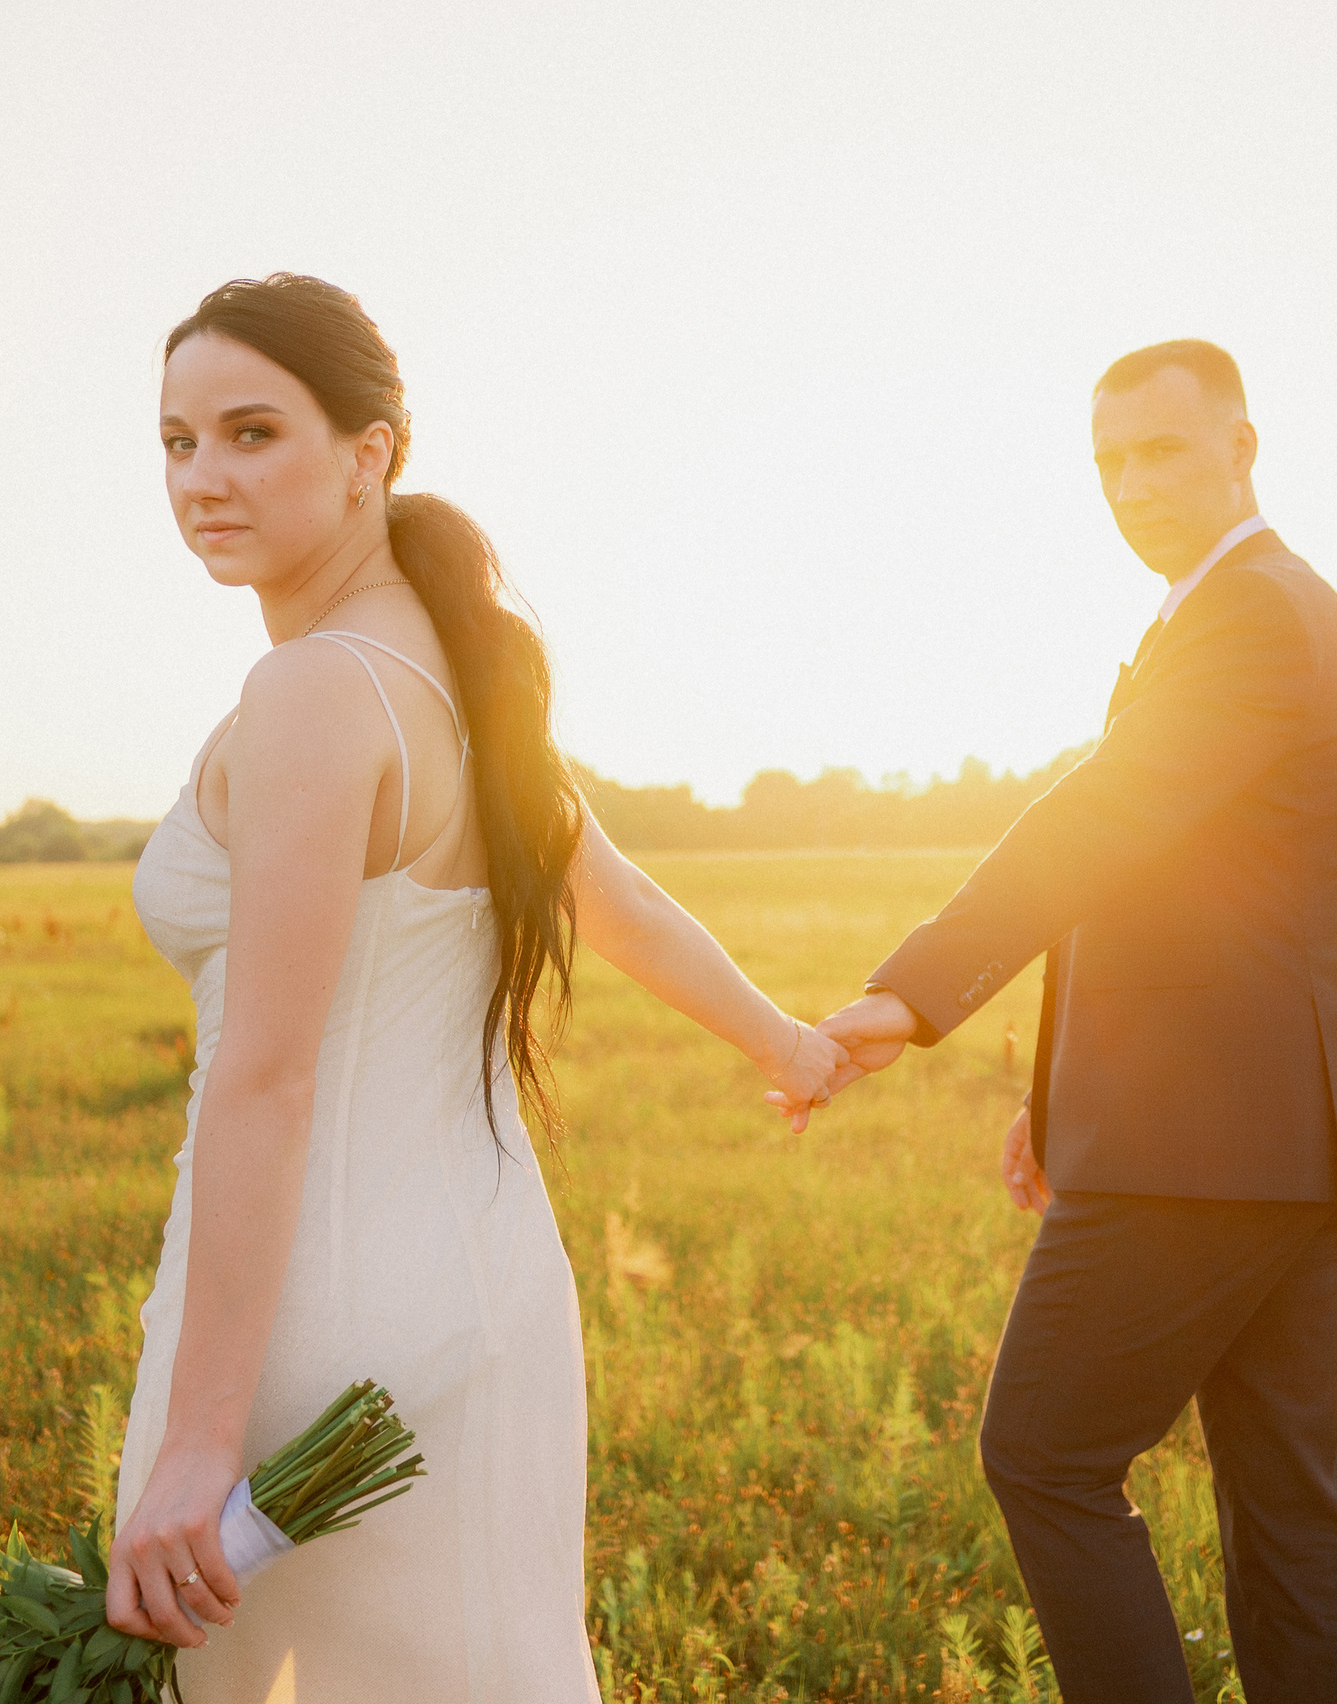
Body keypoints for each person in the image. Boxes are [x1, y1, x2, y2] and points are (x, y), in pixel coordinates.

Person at [109, 273, 847, 1701]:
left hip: (310, 1319)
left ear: (371, 450)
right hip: (485, 1288)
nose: (202, 478)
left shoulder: (318, 690)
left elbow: (269, 1071)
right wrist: (786, 1041)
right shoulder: (455, 670)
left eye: (252, 432)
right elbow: (614, 895)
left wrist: (201, 1443)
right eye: (176, 442)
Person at [812, 341, 1337, 1703]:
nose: (1131, 485)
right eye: (1108, 462)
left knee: (1044, 1455)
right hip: (1293, 1144)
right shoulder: (1231, 613)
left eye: (1164, 451)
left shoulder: (1256, 613)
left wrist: (913, 991)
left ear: (1244, 449)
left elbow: (1102, 820)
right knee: (1289, 1514)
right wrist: (1055, 1093)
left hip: (1205, 1150)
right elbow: (1171, 883)